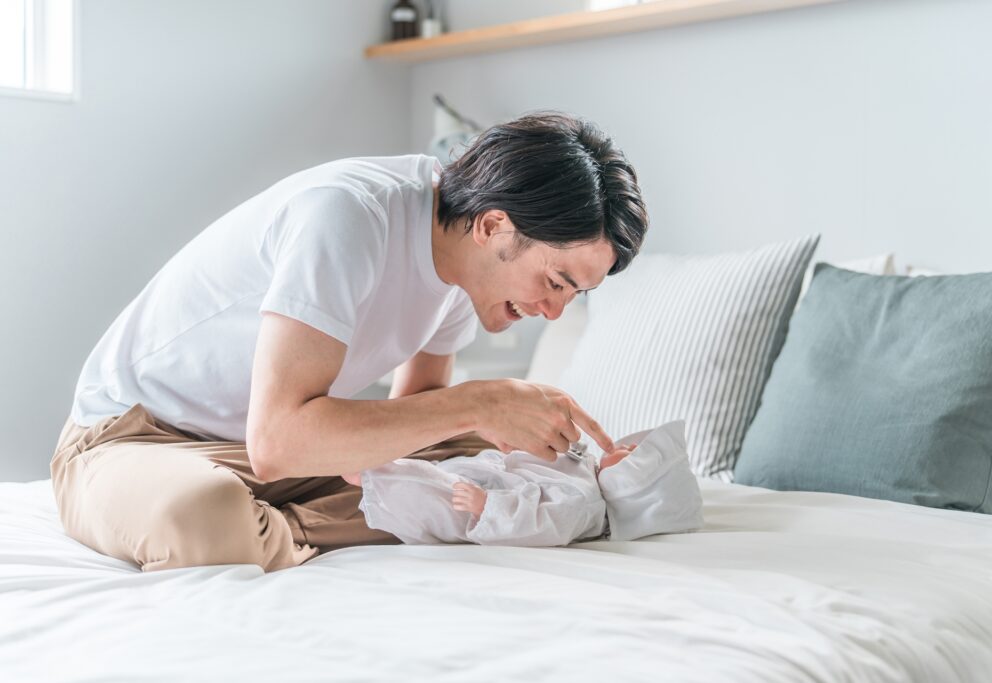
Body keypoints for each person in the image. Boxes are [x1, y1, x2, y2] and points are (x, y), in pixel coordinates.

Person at [49, 111, 649, 573]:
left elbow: (418, 418)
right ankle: (267, 526)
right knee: (202, 514)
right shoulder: (348, 216)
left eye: (575, 296)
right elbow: (279, 442)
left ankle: (276, 527)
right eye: (555, 281)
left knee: (502, 450)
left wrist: (521, 440)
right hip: (134, 440)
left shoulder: (462, 263)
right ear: (494, 226)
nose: (551, 311)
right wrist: (480, 403)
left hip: (260, 456)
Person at [346, 420, 704, 546]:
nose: (625, 445)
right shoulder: (587, 467)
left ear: (635, 484)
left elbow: (540, 525)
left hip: (479, 507)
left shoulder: (583, 504)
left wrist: (488, 507)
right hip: (488, 475)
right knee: (437, 471)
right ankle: (376, 469)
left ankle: (372, 474)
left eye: (632, 453)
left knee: (426, 491)